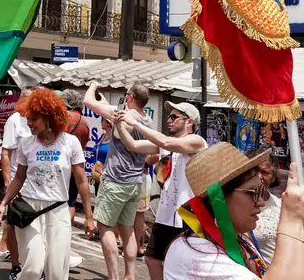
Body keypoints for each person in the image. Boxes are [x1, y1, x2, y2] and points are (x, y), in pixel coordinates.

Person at [0, 89, 95, 280]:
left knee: (56, 273)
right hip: (30, 209)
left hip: (58, 210)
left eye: (34, 119)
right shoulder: (26, 144)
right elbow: (19, 178)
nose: (29, 123)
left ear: (49, 118)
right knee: (32, 268)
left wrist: (89, 216)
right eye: (28, 119)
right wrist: (3, 203)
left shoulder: (70, 143)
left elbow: (81, 180)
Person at [164, 143, 304, 279]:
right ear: (219, 199)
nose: (261, 202)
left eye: (261, 191)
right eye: (253, 192)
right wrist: (292, 221)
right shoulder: (196, 254)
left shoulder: (241, 239)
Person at [112, 101, 206, 280]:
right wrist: (118, 124)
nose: (169, 120)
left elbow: (166, 141)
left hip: (188, 216)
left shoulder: (196, 141)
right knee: (151, 258)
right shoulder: (167, 145)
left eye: (174, 117)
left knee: (182, 263)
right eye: (169, 116)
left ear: (190, 122)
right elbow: (133, 145)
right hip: (165, 215)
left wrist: (134, 122)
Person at [83, 82, 153, 280]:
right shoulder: (146, 121)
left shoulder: (122, 115)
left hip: (115, 181)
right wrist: (101, 96)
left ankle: (114, 276)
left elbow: (88, 101)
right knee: (127, 229)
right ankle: (130, 275)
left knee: (105, 227)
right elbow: (107, 110)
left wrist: (93, 86)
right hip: (134, 182)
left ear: (130, 97)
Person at [0, 88, 34, 272]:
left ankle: (8, 251)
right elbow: (6, 152)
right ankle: (13, 261)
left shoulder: (38, 119)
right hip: (18, 180)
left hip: (35, 182)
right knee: (14, 221)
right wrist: (8, 181)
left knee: (24, 224)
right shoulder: (14, 121)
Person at [62, 89, 90, 227]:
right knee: (71, 201)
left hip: (61, 166)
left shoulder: (63, 117)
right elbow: (85, 142)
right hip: (76, 166)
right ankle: (67, 229)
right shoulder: (84, 122)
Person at [253, 154, 282, 264]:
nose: (259, 176)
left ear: (273, 177)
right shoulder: (235, 206)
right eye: (254, 170)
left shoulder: (281, 207)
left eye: (264, 172)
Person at [91, 118, 112, 193]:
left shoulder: (115, 139)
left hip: (107, 177)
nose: (101, 122)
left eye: (103, 120)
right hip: (97, 174)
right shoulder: (103, 136)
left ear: (109, 122)